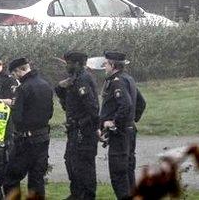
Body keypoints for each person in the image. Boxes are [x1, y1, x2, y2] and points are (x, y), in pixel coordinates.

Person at [4, 57, 53, 199]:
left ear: (20, 70)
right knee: (36, 179)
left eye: (14, 74)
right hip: (43, 137)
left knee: (11, 178)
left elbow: (17, 117)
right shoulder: (46, 85)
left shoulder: (23, 88)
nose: (15, 77)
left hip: (25, 140)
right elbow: (50, 112)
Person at [99, 51, 146, 200]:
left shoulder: (117, 81)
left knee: (118, 174)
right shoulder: (129, 79)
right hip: (129, 131)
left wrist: (113, 122)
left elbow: (125, 104)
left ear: (113, 65)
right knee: (128, 171)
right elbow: (141, 103)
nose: (104, 66)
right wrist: (132, 120)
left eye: (106, 63)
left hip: (120, 134)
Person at [55, 50, 99, 200]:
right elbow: (68, 102)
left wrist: (84, 125)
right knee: (71, 162)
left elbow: (92, 108)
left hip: (83, 131)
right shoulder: (74, 78)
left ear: (78, 64)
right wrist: (60, 87)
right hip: (74, 130)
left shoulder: (83, 80)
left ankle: (86, 195)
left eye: (69, 63)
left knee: (83, 166)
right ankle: (76, 194)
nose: (66, 66)